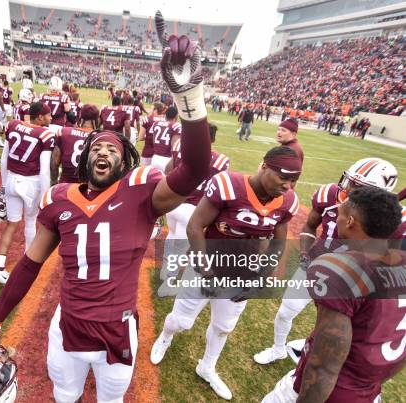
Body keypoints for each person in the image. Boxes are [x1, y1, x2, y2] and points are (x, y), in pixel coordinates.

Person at [0, 22, 212, 403]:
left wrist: (189, 97)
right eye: (96, 148)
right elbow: (29, 265)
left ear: (125, 162)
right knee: (64, 396)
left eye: (112, 149)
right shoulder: (59, 198)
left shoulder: (143, 193)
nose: (103, 152)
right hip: (67, 326)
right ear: (85, 159)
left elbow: (196, 169)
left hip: (117, 331)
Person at [151, 146, 301, 401]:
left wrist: (260, 279)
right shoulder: (228, 185)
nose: (287, 185)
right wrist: (206, 271)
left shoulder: (286, 201)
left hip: (242, 274)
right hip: (207, 267)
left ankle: (207, 366)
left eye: (293, 180)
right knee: (181, 322)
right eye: (283, 177)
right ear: (264, 165)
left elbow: (278, 244)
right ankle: (165, 336)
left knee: (223, 327)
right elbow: (196, 226)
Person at [262, 187, 405, 403]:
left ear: (349, 221)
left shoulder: (340, 269)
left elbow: (324, 368)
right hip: (369, 392)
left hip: (330, 391)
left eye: (340, 214)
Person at [253, 157, 398, 365]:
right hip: (315, 264)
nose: (349, 189)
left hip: (348, 278)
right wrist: (304, 253)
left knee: (332, 327)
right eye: (351, 182)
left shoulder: (384, 219)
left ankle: (311, 353)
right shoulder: (329, 194)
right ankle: (278, 349)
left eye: (359, 187)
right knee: (286, 311)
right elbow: (310, 225)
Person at [157, 123, 229, 297]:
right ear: (212, 139)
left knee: (172, 236)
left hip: (174, 203)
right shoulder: (220, 160)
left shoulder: (179, 148)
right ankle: (168, 282)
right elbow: (220, 186)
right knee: (182, 248)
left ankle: (165, 270)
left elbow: (168, 170)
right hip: (193, 209)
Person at [0, 102, 54, 283]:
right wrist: (45, 195)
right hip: (31, 183)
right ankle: (29, 264)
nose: (50, 118)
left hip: (11, 179)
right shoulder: (45, 134)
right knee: (31, 221)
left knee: (11, 224)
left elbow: (4, 158)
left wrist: (4, 185)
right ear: (40, 117)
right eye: (48, 115)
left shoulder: (13, 125)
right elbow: (44, 171)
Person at [50, 104, 99, 184]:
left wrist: (54, 182)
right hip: (86, 187)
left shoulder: (63, 132)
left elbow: (54, 162)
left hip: (65, 185)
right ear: (96, 119)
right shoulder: (99, 137)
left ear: (80, 117)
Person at [149, 106, 181, 173]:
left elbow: (153, 141)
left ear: (166, 115)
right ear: (176, 116)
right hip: (167, 160)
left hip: (155, 158)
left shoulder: (156, 123)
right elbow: (175, 147)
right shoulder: (176, 126)